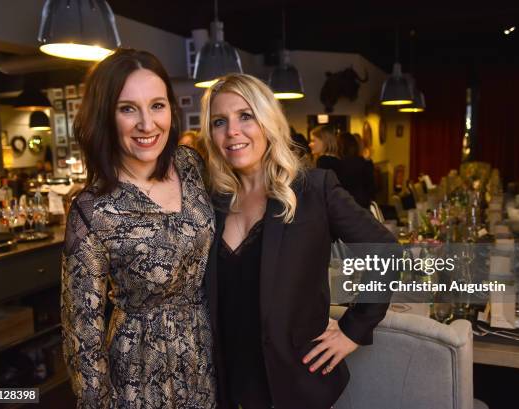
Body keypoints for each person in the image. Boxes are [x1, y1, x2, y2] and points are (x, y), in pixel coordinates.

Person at [200, 73, 397, 409]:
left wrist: (353, 329)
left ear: (268, 121)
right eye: (220, 121)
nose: (232, 131)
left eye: (245, 116)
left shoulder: (314, 189)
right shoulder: (210, 200)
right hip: (228, 386)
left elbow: (387, 253)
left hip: (296, 387)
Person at [61, 49, 216, 408]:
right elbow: (81, 333)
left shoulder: (190, 165)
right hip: (140, 372)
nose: (148, 124)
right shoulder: (92, 209)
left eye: (157, 105)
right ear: (106, 116)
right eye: (128, 108)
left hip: (208, 353)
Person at [337, 132, 376, 208]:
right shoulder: (364, 162)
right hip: (363, 204)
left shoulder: (339, 165)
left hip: (347, 206)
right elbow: (371, 187)